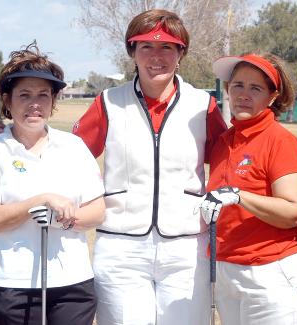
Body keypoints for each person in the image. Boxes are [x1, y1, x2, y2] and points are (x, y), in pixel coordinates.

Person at [71, 9, 227, 325]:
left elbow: (231, 160)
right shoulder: (108, 101)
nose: (157, 56)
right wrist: (13, 135)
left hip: (185, 247)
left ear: (181, 53)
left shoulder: (202, 105)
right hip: (120, 245)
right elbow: (71, 156)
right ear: (133, 52)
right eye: (146, 47)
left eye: (167, 47)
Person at [0, 42, 105, 325]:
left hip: (73, 283)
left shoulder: (73, 146)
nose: (35, 103)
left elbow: (97, 211)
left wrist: (66, 217)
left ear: (54, 101)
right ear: (7, 101)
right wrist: (41, 200)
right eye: (24, 95)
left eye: (44, 95)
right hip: (10, 285)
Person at [200, 53, 297, 325]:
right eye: (238, 85)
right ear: (227, 89)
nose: (243, 94)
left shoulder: (281, 142)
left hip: (270, 273)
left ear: (272, 97)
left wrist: (239, 196)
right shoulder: (224, 141)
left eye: (256, 88)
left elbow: (293, 211)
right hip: (227, 269)